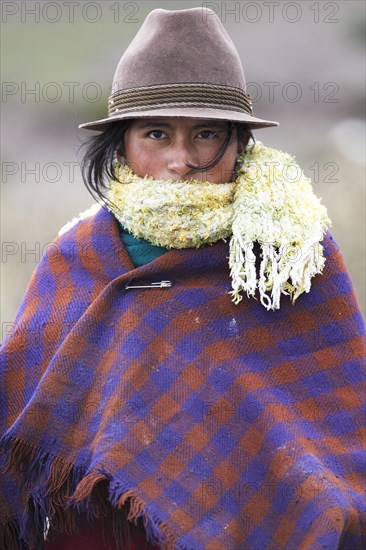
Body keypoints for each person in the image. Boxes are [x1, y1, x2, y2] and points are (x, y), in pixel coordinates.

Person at [1, 7, 365, 550]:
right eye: (156, 133)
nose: (181, 160)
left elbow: (334, 425)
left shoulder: (292, 252)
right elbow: (27, 424)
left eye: (206, 135)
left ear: (241, 144)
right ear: (121, 144)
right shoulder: (75, 256)